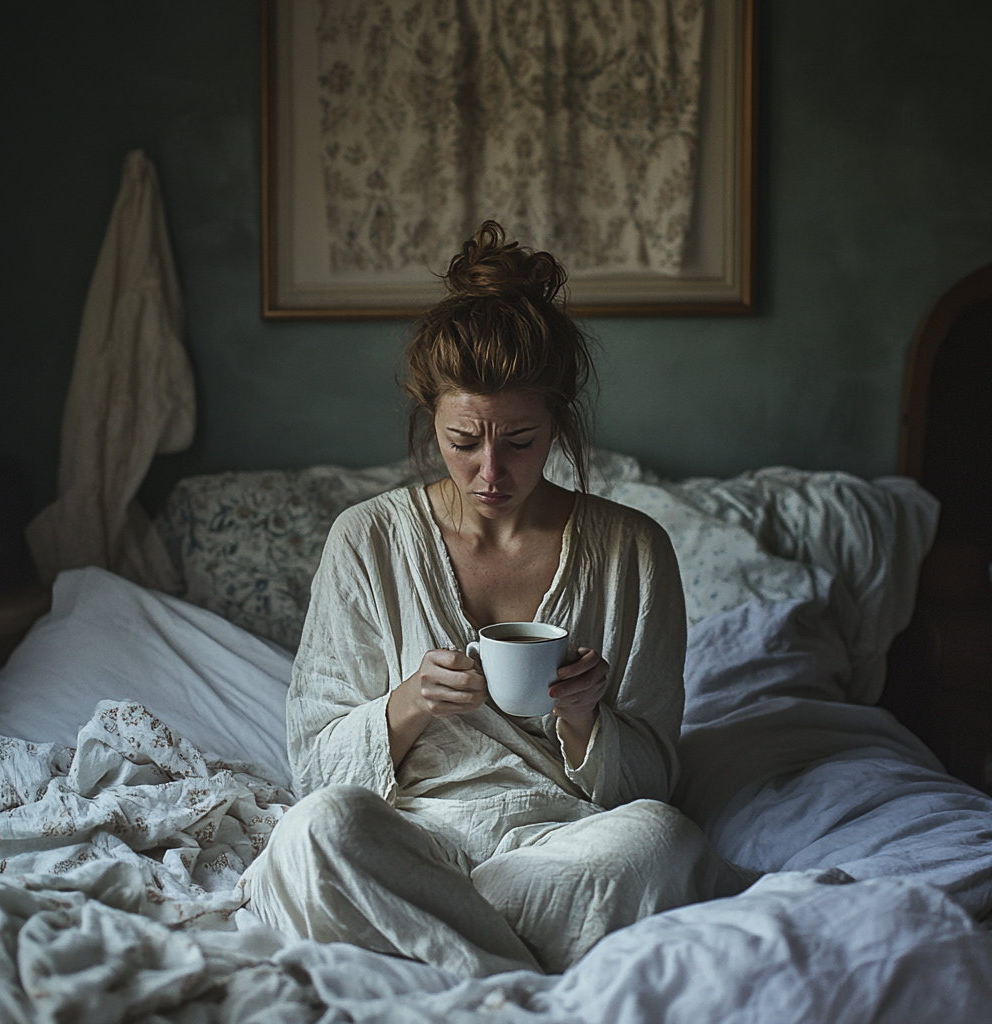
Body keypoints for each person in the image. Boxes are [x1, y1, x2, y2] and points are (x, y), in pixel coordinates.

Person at [241, 222, 753, 977]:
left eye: (519, 440)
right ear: (430, 421)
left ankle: (439, 940)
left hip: (560, 845)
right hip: (411, 837)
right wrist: (411, 700)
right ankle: (524, 976)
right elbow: (314, 768)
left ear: (559, 423)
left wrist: (585, 719)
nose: (489, 471)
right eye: (462, 440)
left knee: (660, 839)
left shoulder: (634, 550)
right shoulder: (367, 540)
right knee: (315, 832)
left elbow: (652, 781)